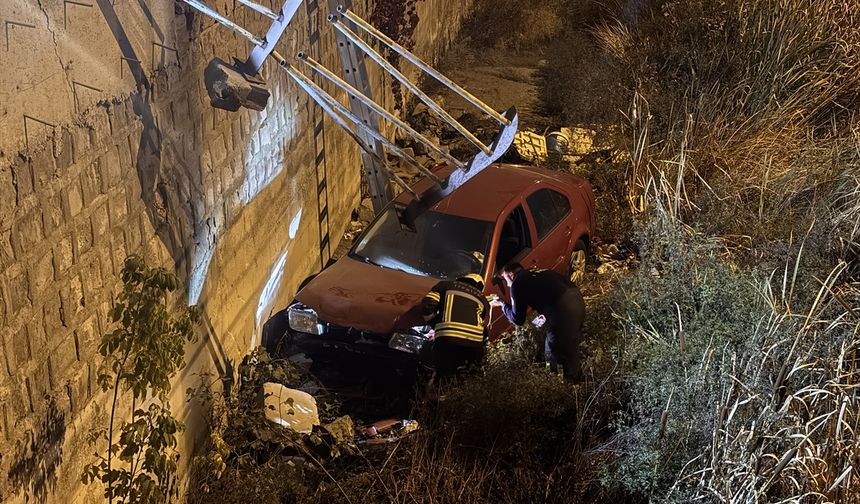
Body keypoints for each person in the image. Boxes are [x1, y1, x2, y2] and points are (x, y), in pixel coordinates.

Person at [490, 262, 585, 382]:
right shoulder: (537, 272)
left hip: (562, 311)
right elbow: (549, 300)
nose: (507, 285)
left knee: (553, 353)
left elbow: (517, 319)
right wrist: (536, 323)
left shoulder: (517, 283)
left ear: (511, 274)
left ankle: (560, 385)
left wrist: (502, 305)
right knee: (569, 345)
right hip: (577, 302)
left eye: (504, 279)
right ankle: (577, 380)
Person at [421, 273, 490, 381]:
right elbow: (482, 324)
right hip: (474, 343)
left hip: (448, 340)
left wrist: (435, 324)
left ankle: (438, 394)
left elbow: (427, 305)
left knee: (443, 376)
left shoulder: (444, 286)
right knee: (468, 378)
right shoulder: (483, 299)